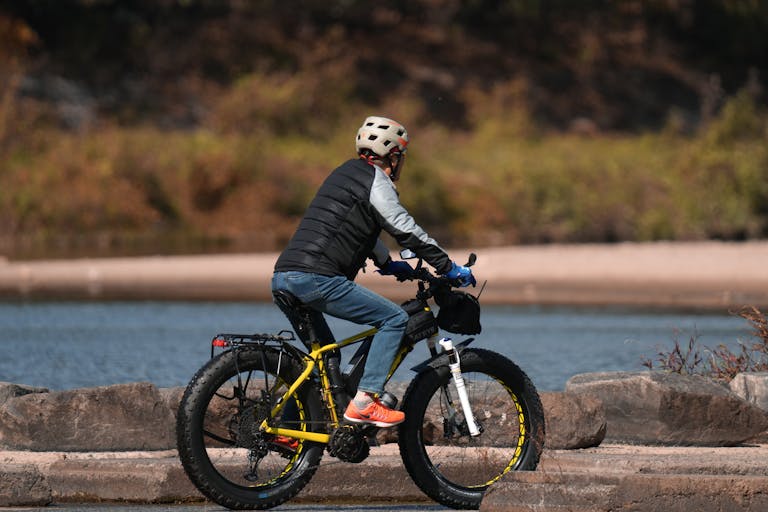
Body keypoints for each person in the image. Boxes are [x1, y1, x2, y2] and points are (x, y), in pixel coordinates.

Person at [272, 115, 475, 428]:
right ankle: (366, 401)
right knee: (394, 319)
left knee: (325, 358)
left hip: (285, 276)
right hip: (317, 277)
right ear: (393, 155)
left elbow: (350, 224)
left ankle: (288, 430)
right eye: (401, 157)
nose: (402, 164)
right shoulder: (376, 179)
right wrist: (449, 268)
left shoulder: (343, 173)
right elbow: (405, 229)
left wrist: (388, 264)